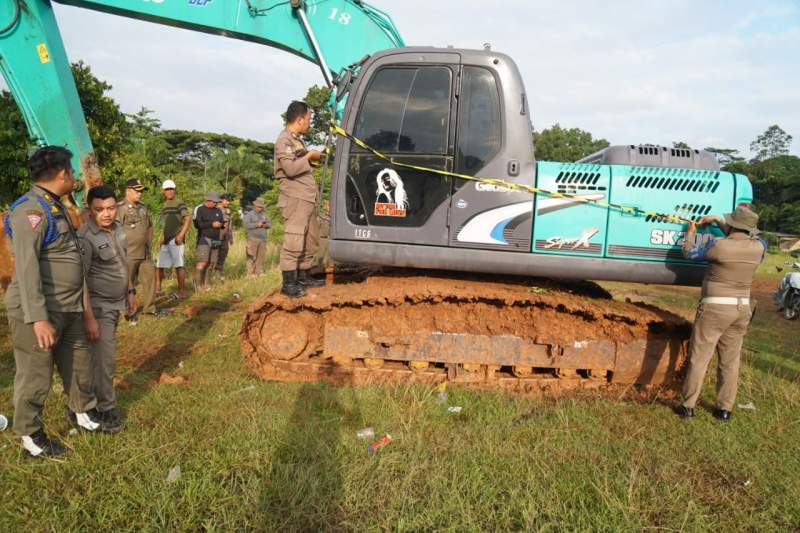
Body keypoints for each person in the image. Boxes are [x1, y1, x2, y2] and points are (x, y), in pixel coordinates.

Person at [3, 146, 104, 458]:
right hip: (42, 311)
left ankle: (82, 413)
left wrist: (86, 313)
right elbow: (27, 267)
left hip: (69, 307)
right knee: (36, 375)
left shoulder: (56, 207)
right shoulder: (30, 211)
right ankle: (30, 434)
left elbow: (71, 263)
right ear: (62, 174)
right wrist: (38, 319)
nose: (73, 176)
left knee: (79, 365)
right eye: (71, 171)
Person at [675, 205, 768, 422]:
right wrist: (719, 220)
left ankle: (688, 406)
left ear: (732, 225)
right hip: (741, 309)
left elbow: (689, 252)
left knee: (700, 357)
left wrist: (690, 232)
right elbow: (754, 236)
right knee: (730, 361)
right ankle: (724, 409)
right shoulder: (759, 248)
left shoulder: (718, 246)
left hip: (715, 308)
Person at [79, 186, 131, 432]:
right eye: (99, 209)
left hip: (118, 302)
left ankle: (95, 402)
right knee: (104, 360)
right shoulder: (85, 237)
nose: (106, 214)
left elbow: (123, 262)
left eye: (111, 208)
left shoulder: (118, 228)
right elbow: (80, 279)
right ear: (90, 210)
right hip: (99, 307)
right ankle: (104, 408)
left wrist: (130, 292)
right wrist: (89, 317)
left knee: (103, 358)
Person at [274, 100, 325, 296]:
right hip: (295, 199)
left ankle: (303, 277)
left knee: (310, 239)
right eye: (309, 119)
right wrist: (309, 156)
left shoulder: (297, 140)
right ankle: (289, 284)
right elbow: (290, 168)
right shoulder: (284, 140)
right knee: (294, 239)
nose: (310, 123)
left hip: (307, 198)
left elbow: (299, 164)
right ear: (300, 118)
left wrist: (312, 158)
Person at [116, 178, 156, 320]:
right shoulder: (120, 208)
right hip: (129, 253)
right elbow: (114, 230)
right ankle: (128, 311)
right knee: (127, 284)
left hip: (145, 252)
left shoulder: (143, 207)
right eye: (137, 191)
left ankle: (149, 308)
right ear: (127, 191)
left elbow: (150, 226)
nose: (140, 194)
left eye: (141, 191)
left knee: (150, 279)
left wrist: (148, 241)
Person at [156, 179, 190, 298]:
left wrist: (181, 235)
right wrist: (161, 238)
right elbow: (164, 224)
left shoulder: (179, 202)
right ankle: (158, 289)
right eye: (167, 189)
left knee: (178, 265)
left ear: (175, 190)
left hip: (176, 239)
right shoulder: (164, 205)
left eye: (171, 189)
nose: (169, 191)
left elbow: (187, 219)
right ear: (163, 191)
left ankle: (181, 292)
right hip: (166, 239)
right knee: (159, 265)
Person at [193, 191, 225, 291]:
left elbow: (222, 223)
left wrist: (221, 225)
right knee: (203, 262)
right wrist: (212, 224)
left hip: (216, 240)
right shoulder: (200, 209)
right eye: (214, 201)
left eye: (216, 202)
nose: (216, 203)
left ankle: (207, 284)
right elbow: (199, 225)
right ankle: (198, 285)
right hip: (204, 239)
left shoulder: (218, 210)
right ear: (208, 200)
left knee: (211, 263)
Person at [244, 197, 271, 276]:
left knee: (261, 256)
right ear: (255, 206)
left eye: (261, 207)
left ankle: (258, 272)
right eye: (259, 206)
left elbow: (270, 224)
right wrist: (256, 224)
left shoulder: (264, 215)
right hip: (253, 238)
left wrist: (265, 225)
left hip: (263, 239)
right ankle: (250, 273)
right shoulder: (249, 214)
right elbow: (246, 225)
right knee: (251, 256)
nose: (260, 208)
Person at [216, 194, 233, 278]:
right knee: (215, 254)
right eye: (226, 200)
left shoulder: (227, 211)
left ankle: (219, 272)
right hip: (217, 235)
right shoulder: (216, 209)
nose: (228, 202)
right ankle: (211, 274)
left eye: (229, 201)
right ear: (221, 200)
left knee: (223, 253)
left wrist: (231, 237)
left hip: (225, 236)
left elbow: (229, 225)